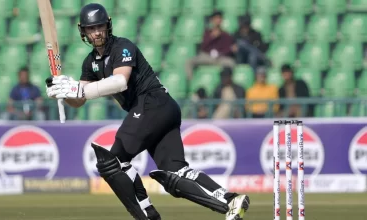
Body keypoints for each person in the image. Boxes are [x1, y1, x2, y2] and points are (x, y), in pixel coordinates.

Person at [46, 3, 249, 220]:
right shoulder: (90, 62)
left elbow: (119, 82)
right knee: (175, 175)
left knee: (112, 162)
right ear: (83, 31)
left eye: (100, 27)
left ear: (108, 26)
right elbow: (79, 99)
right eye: (91, 28)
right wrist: (62, 91)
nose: (96, 32)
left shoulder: (122, 46)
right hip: (157, 110)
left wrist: (79, 88)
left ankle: (148, 216)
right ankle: (231, 201)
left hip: (153, 103)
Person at [185, 11, 235, 79]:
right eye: (216, 18)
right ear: (212, 20)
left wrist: (223, 52)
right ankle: (191, 82)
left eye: (219, 18)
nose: (218, 20)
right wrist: (212, 37)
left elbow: (228, 49)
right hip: (207, 56)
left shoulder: (225, 35)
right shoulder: (207, 33)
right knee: (189, 62)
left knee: (231, 63)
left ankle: (228, 82)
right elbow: (203, 47)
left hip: (220, 58)